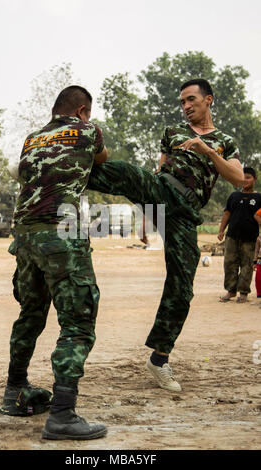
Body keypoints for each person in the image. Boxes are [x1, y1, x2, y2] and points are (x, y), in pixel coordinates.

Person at [87, 78, 244, 392]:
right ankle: (49, 168)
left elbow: (238, 177)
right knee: (127, 173)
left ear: (208, 100)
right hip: (161, 191)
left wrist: (208, 150)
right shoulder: (172, 132)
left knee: (182, 289)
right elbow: (159, 170)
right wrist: (148, 217)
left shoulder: (224, 141)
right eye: (182, 102)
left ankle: (159, 359)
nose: (185, 107)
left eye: (191, 100)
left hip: (186, 214)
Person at [0, 85, 108, 441]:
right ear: (82, 111)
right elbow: (102, 160)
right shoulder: (88, 131)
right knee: (78, 323)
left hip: (25, 236)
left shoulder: (32, 138)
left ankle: (14, 392)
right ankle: (62, 413)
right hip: (61, 233)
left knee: (31, 313)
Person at [218, 168, 261, 303]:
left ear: (255, 179)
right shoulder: (234, 196)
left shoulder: (259, 198)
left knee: (247, 265)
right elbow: (227, 214)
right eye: (243, 177)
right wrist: (221, 230)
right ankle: (230, 291)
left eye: (248, 177)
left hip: (250, 238)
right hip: (232, 236)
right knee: (229, 263)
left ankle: (243, 293)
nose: (245, 180)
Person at [253, 208, 261, 307]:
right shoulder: (259, 238)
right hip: (260, 260)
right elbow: (256, 250)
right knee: (258, 279)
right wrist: (255, 261)